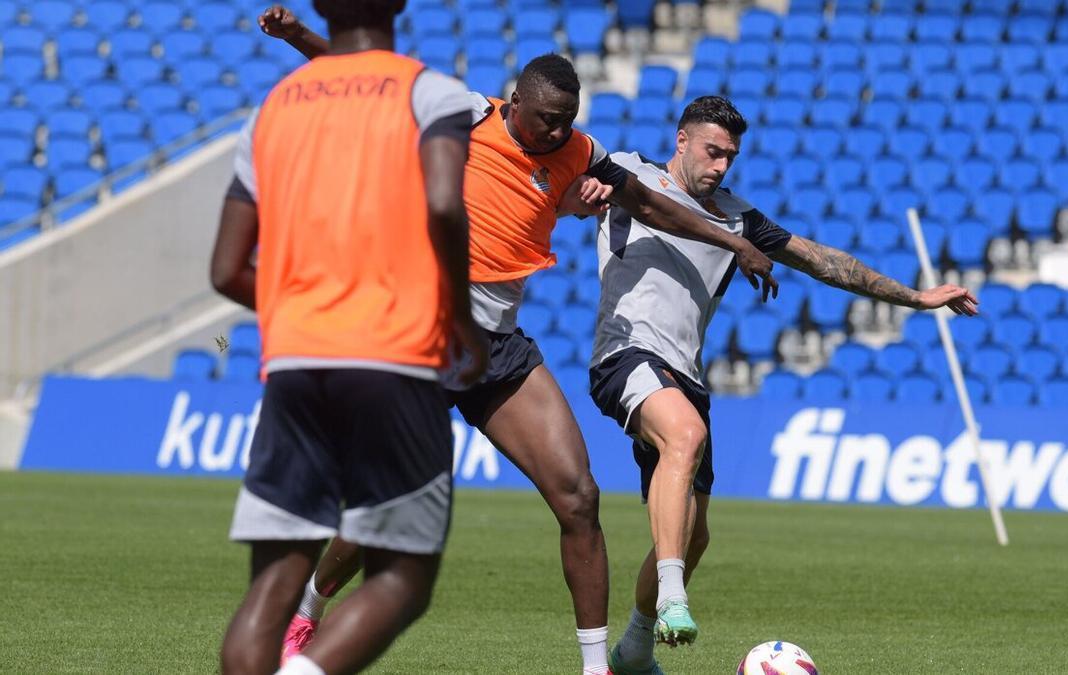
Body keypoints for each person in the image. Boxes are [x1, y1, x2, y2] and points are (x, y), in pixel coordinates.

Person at [255, 7, 779, 674]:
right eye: (545, 120)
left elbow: (655, 206)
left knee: (579, 498)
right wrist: (300, 35)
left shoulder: (578, 153)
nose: (557, 132)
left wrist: (736, 241)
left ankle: (597, 667)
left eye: (567, 120)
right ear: (515, 102)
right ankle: (306, 609)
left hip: (498, 349)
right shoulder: (463, 115)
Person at [589, 96, 979, 674]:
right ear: (681, 140)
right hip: (626, 353)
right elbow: (636, 204)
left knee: (695, 538)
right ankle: (673, 597)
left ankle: (635, 649)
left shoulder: (738, 215)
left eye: (730, 157)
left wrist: (916, 297)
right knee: (686, 435)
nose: (721, 166)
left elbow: (821, 260)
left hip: (686, 373)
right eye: (711, 151)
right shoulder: (631, 173)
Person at [208, 2, 488, 674]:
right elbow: (447, 202)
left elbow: (224, 269)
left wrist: (299, 305)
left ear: (320, 8)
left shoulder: (274, 107)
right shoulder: (433, 93)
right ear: (398, 4)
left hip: (295, 362)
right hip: (393, 356)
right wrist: (458, 317)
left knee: (274, 581)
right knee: (401, 576)